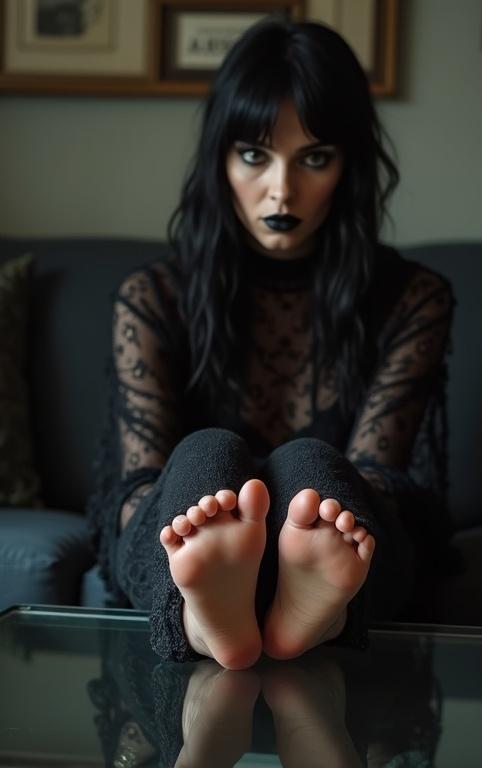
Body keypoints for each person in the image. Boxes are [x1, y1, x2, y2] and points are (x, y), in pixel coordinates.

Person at [88, 18, 455, 671]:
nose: (281, 191)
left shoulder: (411, 298)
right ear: (220, 161)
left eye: (314, 158)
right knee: (204, 460)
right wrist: (206, 497)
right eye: (255, 156)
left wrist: (306, 505)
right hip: (190, 536)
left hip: (338, 539)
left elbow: (382, 480)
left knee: (315, 474)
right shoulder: (152, 298)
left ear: (349, 166)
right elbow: (137, 489)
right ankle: (203, 616)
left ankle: (319, 608)